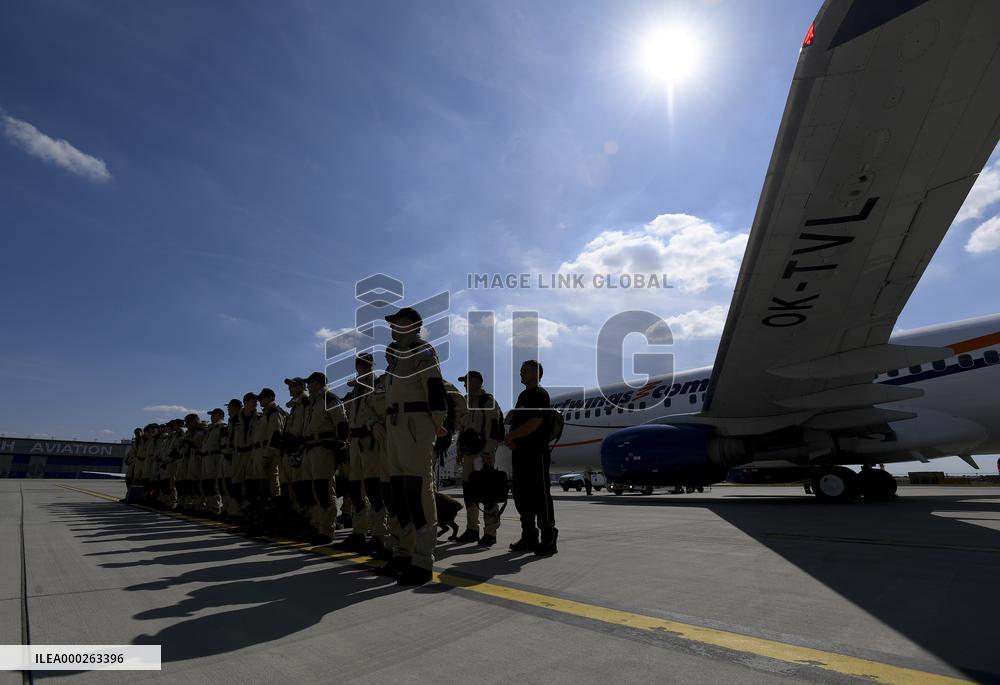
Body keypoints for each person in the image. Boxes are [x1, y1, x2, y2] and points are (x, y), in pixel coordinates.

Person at [383, 307, 448, 586]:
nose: (392, 328)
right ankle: (402, 552)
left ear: (410, 325)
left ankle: (422, 561)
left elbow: (434, 388)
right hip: (396, 426)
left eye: (396, 323)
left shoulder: (422, 351)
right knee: (399, 493)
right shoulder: (396, 359)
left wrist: (436, 422)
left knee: (418, 490)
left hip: (414, 425)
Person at [504, 360, 558, 556]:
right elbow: (518, 423)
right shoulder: (523, 396)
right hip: (520, 453)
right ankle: (529, 536)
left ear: (536, 373)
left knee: (540, 496)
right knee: (522, 496)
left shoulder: (539, 395)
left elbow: (534, 423)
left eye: (523, 371)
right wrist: (511, 441)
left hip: (535, 453)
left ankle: (549, 538)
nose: (520, 374)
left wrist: (510, 437)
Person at [454, 371, 504, 546]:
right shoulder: (465, 404)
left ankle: (490, 533)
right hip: (468, 455)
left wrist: (489, 452)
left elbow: (494, 428)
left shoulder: (488, 401)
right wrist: (459, 451)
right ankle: (472, 529)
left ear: (478, 381)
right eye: (464, 381)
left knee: (487, 492)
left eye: (468, 380)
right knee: (469, 492)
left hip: (482, 454)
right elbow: (462, 429)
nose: (465, 384)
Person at [302, 371, 349, 544]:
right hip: (310, 448)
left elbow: (342, 424)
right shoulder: (312, 402)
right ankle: (316, 525)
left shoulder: (330, 399)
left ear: (319, 383)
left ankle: (326, 530)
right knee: (312, 490)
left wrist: (340, 447)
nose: (308, 385)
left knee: (324, 490)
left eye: (310, 382)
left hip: (324, 448)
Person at [250, 387, 286, 531]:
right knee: (263, 488)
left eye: (262, 398)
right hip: (260, 450)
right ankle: (264, 520)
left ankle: (273, 521)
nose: (259, 401)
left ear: (270, 397)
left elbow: (276, 434)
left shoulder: (274, 411)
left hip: (268, 452)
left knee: (272, 488)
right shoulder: (265, 413)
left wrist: (267, 455)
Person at [281, 376, 312, 537]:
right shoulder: (294, 406)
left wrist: (299, 446)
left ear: (302, 386)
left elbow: (306, 427)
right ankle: (296, 520)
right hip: (290, 450)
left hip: (300, 450)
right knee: (290, 488)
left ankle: (307, 521)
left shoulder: (306, 402)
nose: (289, 388)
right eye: (289, 386)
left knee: (302, 489)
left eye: (293, 385)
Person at [233, 392, 259, 528]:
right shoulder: (235, 419)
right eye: (252, 401)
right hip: (238, 454)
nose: (255, 403)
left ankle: (250, 515)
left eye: (256, 401)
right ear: (245, 402)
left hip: (252, 453)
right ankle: (241, 511)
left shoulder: (259, 417)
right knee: (236, 485)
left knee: (251, 486)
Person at [200, 408, 227, 516]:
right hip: (207, 457)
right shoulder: (211, 428)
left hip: (216, 456)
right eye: (211, 415)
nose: (211, 417)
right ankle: (210, 506)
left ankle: (216, 507)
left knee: (215, 483)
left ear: (220, 415)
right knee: (207, 483)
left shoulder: (222, 427)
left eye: (214, 415)